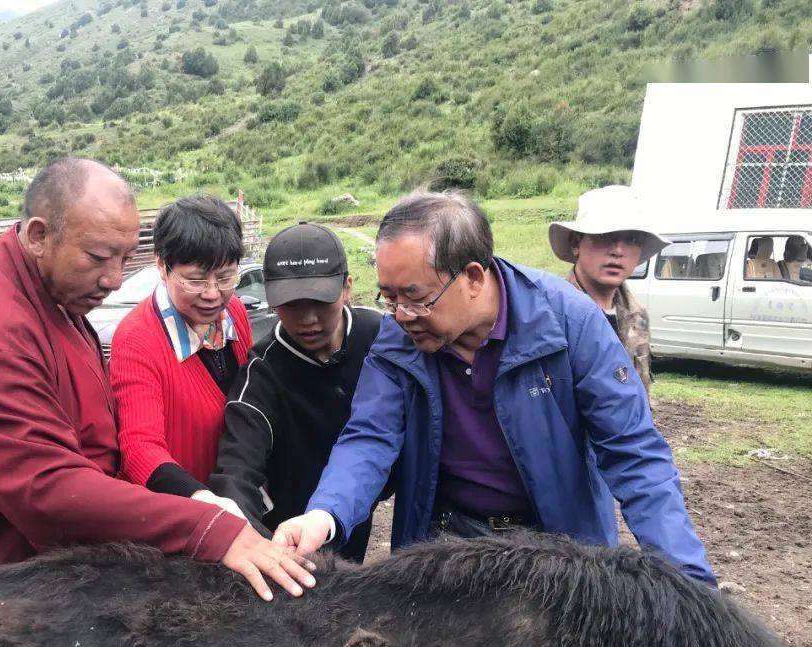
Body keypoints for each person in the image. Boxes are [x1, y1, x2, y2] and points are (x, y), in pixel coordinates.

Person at [0, 158, 316, 613]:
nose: (113, 280)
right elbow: (45, 488)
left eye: (126, 259)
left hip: (9, 577)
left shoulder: (53, 292)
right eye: (98, 258)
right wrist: (207, 526)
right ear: (39, 236)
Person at [273, 190, 716, 586]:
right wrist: (324, 515)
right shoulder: (398, 339)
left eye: (415, 296)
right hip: (445, 542)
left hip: (557, 546)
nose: (402, 314)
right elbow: (369, 436)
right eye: (389, 298)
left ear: (472, 277)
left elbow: (634, 454)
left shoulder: (568, 324)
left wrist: (690, 583)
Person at [208, 223, 382, 563]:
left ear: (347, 288)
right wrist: (250, 541)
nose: (308, 319)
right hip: (286, 535)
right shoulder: (262, 373)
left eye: (320, 301)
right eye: (292, 304)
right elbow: (236, 469)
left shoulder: (379, 338)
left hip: (353, 511)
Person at [109, 197, 252, 513]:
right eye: (196, 280)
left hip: (233, 496)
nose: (213, 294)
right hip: (172, 513)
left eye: (226, 277)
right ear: (162, 265)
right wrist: (203, 500)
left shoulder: (236, 315)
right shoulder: (137, 339)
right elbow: (140, 448)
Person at [549, 185, 666, 392]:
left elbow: (641, 395)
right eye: (605, 235)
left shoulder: (637, 315)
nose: (618, 250)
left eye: (631, 239)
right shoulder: (551, 315)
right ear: (576, 242)